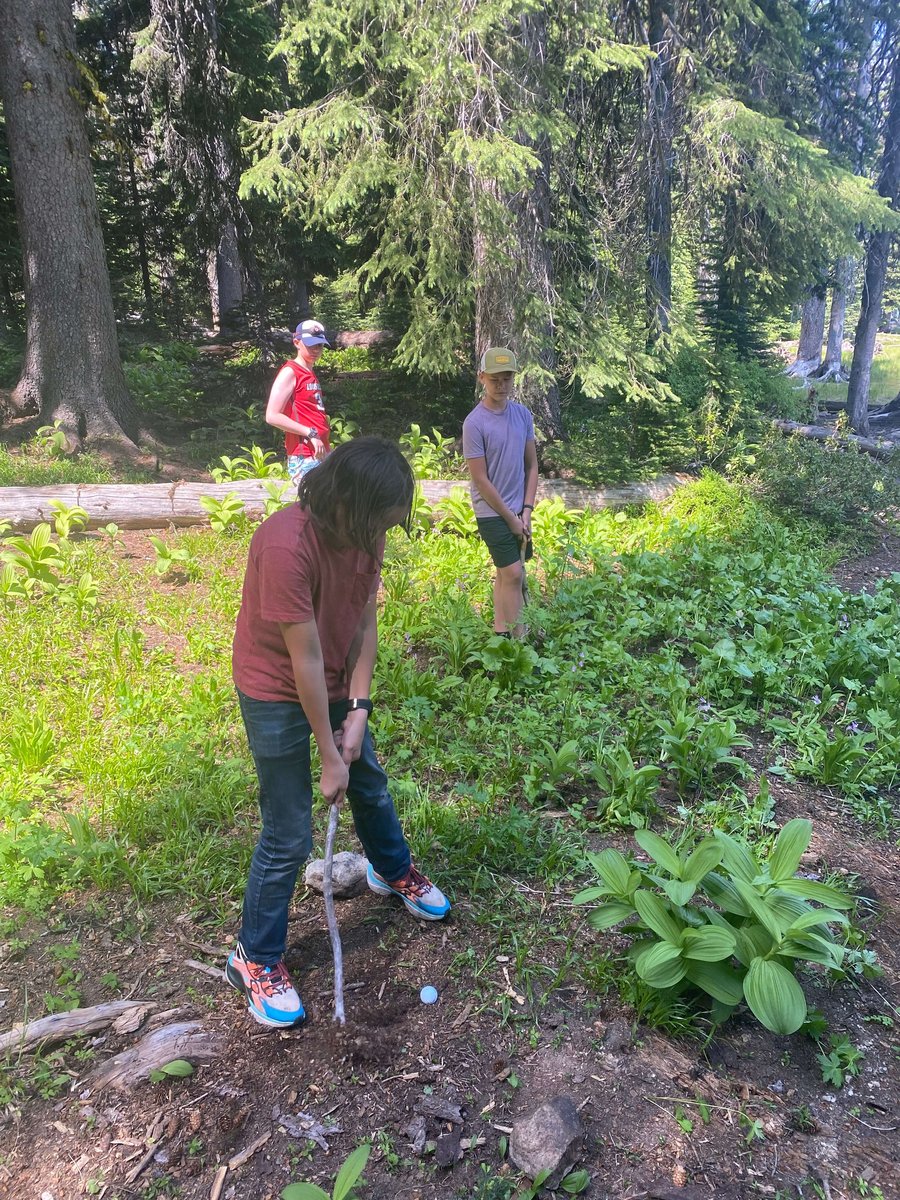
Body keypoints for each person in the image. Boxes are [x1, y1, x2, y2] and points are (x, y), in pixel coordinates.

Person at [225, 437, 451, 1029]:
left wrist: (357, 710)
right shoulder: (284, 545)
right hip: (275, 685)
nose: (383, 534)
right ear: (348, 500)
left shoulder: (364, 530)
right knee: (289, 829)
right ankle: (254, 957)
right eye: (380, 520)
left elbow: (363, 619)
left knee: (369, 783)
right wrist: (329, 755)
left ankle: (390, 870)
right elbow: (302, 659)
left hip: (331, 679)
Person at [462, 347, 539, 638]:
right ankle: (520, 642)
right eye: (494, 379)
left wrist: (527, 511)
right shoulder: (474, 423)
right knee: (515, 574)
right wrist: (510, 518)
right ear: (482, 377)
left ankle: (500, 633)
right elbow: (480, 479)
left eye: (507, 378)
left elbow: (531, 466)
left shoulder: (522, 415)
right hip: (492, 512)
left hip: (520, 511)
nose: (501, 385)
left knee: (507, 572)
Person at [265, 319, 332, 483]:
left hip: (320, 451)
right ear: (297, 342)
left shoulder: (309, 371)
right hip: (304, 455)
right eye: (311, 345)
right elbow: (272, 416)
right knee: (311, 507)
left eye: (320, 345)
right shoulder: (291, 372)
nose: (316, 350)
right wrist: (310, 432)